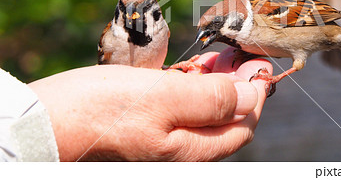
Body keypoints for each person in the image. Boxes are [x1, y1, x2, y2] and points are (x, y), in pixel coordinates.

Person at [0, 47, 272, 161]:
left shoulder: (160, 30)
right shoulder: (112, 36)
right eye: (127, 12)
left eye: (147, 12)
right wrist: (81, 126)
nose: (136, 19)